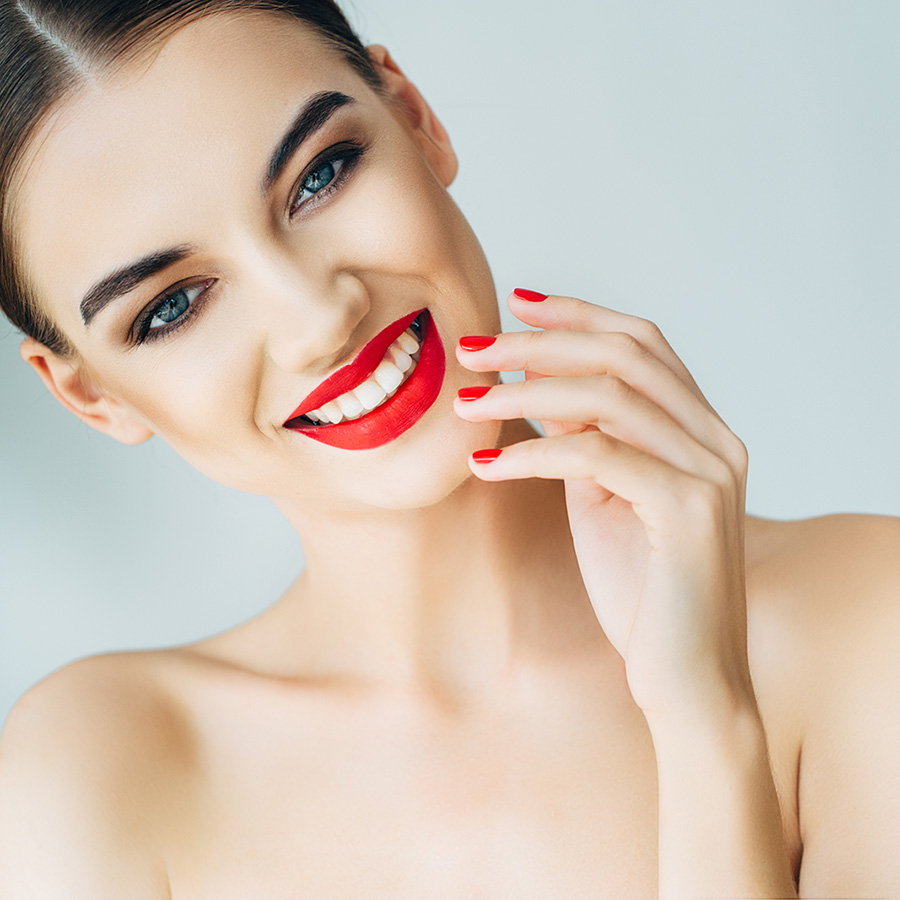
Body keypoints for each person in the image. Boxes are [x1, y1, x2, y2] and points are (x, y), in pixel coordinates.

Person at [0, 1, 898, 897]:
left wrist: (707, 716)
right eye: (171, 307)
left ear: (415, 117)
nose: (318, 318)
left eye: (320, 176)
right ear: (89, 394)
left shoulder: (865, 620)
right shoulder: (92, 779)